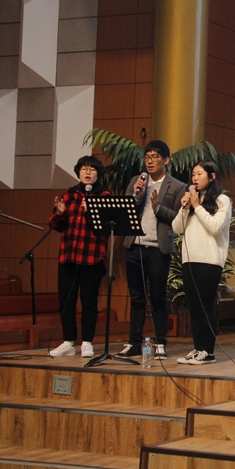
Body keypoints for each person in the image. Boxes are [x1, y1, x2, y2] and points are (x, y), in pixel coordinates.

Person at [118, 141, 187, 361]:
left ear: (166, 160)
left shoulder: (177, 186)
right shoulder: (136, 181)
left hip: (158, 248)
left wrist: (157, 208)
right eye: (147, 156)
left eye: (155, 156)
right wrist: (137, 194)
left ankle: (160, 343)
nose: (150, 161)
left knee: (158, 297)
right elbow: (125, 210)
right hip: (135, 246)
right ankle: (134, 343)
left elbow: (177, 218)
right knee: (136, 298)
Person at [48, 155, 110, 358]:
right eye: (84, 169)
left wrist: (91, 212)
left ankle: (87, 342)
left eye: (92, 169)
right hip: (68, 256)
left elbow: (106, 229)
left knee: (89, 301)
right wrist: (60, 213)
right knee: (66, 300)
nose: (87, 172)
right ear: (78, 172)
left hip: (92, 257)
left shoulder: (105, 195)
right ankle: (68, 341)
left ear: (98, 174)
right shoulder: (70, 194)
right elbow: (54, 225)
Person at [172, 160, 232, 365]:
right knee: (194, 307)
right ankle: (198, 348)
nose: (194, 178)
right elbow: (177, 228)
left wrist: (197, 206)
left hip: (210, 260)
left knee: (205, 306)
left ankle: (208, 351)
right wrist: (186, 207)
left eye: (199, 174)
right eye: (193, 174)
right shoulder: (193, 201)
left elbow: (215, 227)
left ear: (212, 176)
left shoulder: (222, 200)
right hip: (190, 260)